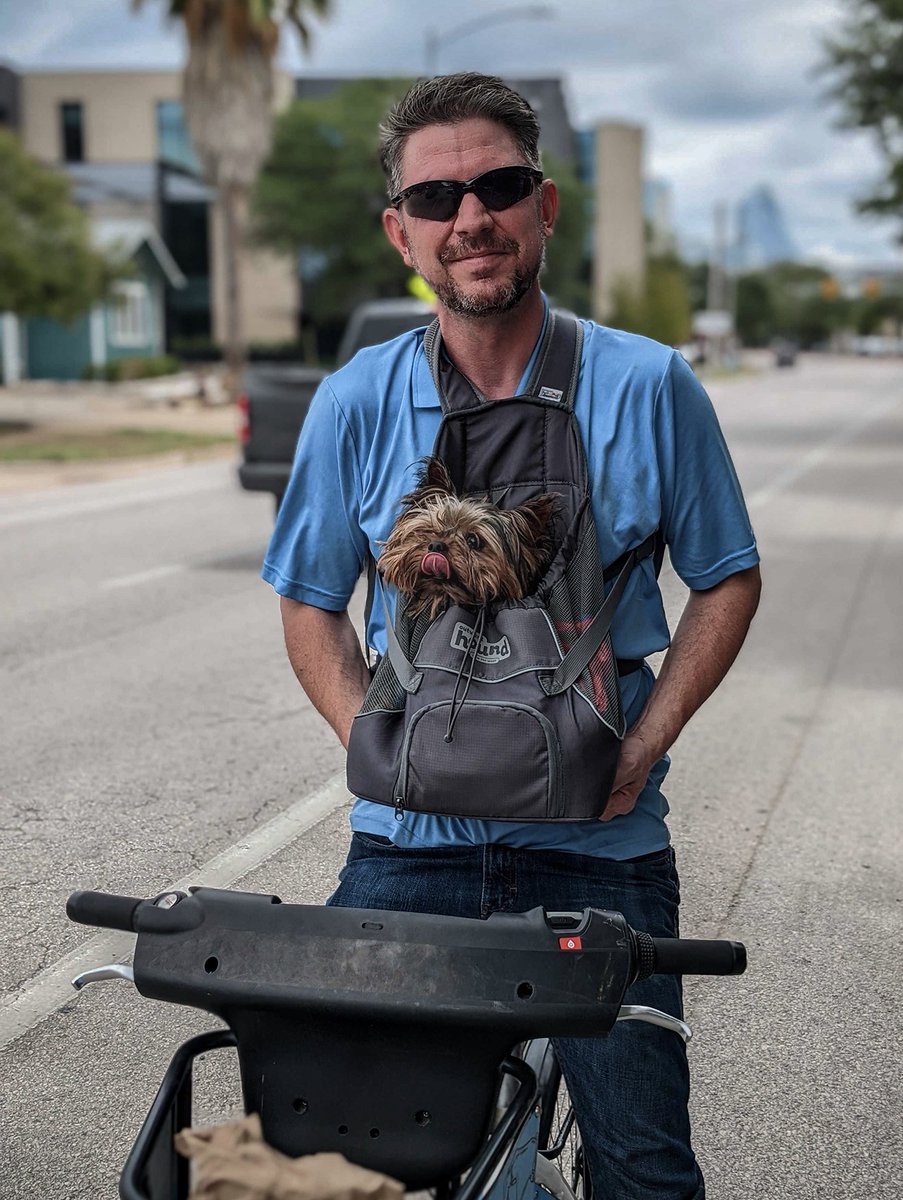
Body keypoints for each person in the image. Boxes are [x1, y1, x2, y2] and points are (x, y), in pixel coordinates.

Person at [263, 72, 761, 1200]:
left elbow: (727, 580)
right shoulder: (356, 399)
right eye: (436, 199)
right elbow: (307, 598)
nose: (469, 218)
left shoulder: (650, 385)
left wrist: (638, 752)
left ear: (546, 208)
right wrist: (372, 742)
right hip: (407, 848)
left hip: (599, 853)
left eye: (499, 185)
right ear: (401, 231)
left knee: (643, 1167)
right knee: (343, 1162)